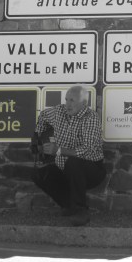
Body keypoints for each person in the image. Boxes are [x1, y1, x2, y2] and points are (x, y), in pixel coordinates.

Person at [31, 85, 106, 226]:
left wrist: (58, 150)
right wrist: (37, 136)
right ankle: (69, 206)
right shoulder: (59, 111)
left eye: (72, 100)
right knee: (39, 174)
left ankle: (81, 211)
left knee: (74, 162)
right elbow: (43, 116)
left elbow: (87, 150)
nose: (67, 104)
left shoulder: (91, 118)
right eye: (66, 100)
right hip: (64, 168)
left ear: (84, 103)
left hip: (91, 170)